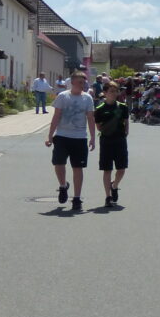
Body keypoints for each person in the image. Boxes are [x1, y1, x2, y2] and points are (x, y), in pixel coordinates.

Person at [44, 72, 97, 212]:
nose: (83, 85)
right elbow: (56, 117)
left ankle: (77, 198)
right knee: (59, 163)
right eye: (80, 82)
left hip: (79, 138)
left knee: (77, 168)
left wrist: (93, 137)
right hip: (62, 136)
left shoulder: (87, 98)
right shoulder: (63, 96)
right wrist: (49, 136)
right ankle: (63, 186)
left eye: (84, 82)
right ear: (72, 82)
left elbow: (91, 118)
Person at [93, 82, 129, 207]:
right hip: (106, 141)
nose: (114, 93)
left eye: (116, 91)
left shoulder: (123, 107)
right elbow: (98, 127)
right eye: (111, 91)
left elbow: (126, 121)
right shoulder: (100, 109)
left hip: (120, 140)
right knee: (107, 169)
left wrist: (126, 132)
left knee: (121, 169)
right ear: (105, 93)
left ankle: (114, 186)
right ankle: (108, 196)